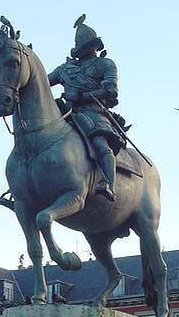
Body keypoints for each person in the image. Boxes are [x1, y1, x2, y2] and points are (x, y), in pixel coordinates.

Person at [48, 14, 124, 202]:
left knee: (99, 143)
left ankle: (109, 183)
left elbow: (111, 91)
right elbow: (42, 82)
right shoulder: (65, 68)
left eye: (86, 45)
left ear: (94, 45)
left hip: (94, 112)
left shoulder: (105, 64)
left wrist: (82, 96)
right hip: (66, 113)